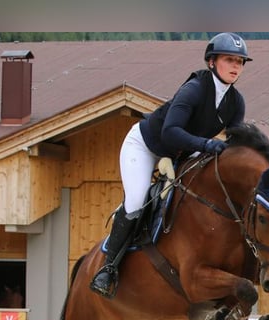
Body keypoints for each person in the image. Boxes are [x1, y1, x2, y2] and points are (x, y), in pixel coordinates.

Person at [90, 32, 252, 298]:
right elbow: (170, 131)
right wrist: (206, 144)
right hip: (146, 146)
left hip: (181, 154)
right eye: (229, 59)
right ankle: (108, 269)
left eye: (240, 61)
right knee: (136, 201)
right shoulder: (195, 89)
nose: (236, 66)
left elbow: (234, 142)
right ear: (211, 62)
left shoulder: (236, 101)